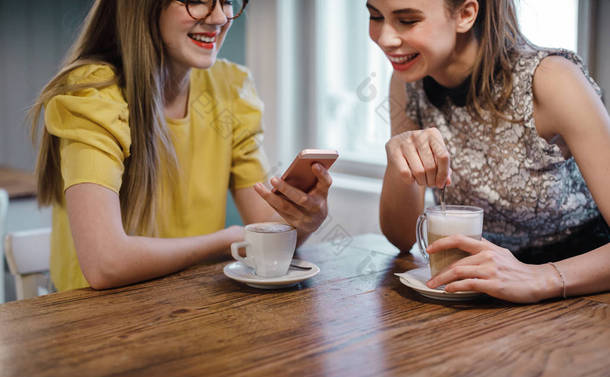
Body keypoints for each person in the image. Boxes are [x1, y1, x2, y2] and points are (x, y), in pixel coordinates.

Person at [29, 0, 332, 291]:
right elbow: (104, 264)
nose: (219, 18)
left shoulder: (230, 88)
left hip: (189, 308)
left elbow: (265, 228)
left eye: (226, 0)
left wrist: (303, 219)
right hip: (92, 325)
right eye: (195, 0)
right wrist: (225, 241)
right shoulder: (93, 93)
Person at [368, 0, 610, 303]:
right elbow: (401, 237)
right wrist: (397, 161)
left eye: (407, 20)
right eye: (375, 16)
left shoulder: (552, 79)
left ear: (466, 14)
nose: (385, 38)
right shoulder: (409, 81)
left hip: (580, 296)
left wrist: (539, 277)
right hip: (484, 295)